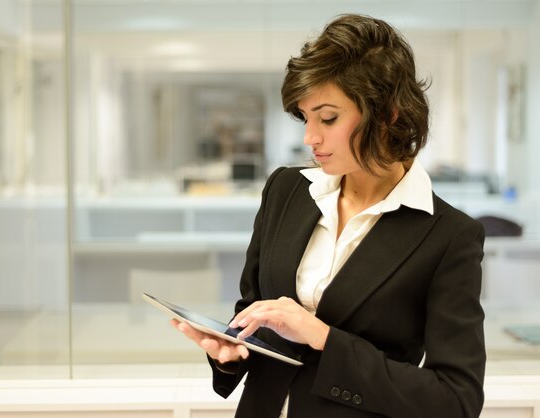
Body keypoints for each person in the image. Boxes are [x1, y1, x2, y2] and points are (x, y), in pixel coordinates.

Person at [172, 13, 485, 418]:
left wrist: (323, 338)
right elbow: (253, 314)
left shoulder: (448, 235)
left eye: (328, 118)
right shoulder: (287, 190)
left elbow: (455, 401)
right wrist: (230, 353)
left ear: (388, 112)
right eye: (305, 118)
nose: (309, 138)